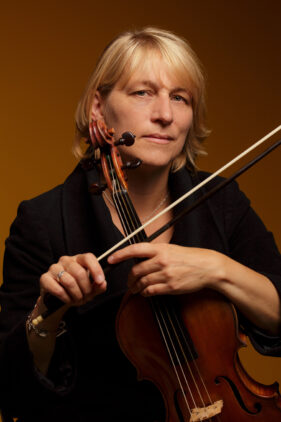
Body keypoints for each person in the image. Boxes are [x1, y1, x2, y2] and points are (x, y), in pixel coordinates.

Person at [0, 27, 281, 422]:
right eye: (142, 93)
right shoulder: (45, 220)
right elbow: (11, 388)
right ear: (99, 107)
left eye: (180, 98)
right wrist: (47, 311)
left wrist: (216, 269)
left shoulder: (221, 202)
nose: (165, 114)